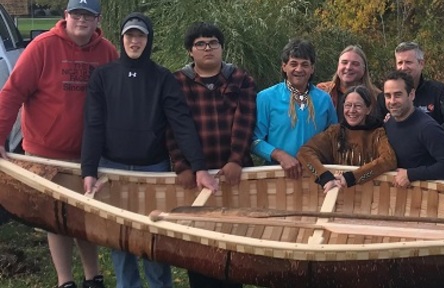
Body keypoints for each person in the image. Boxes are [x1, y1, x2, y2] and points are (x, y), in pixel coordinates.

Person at [80, 13, 218, 288]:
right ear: (122, 39)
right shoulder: (103, 77)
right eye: (130, 35)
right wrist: (89, 170)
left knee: (155, 240)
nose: (135, 41)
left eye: (140, 36)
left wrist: (199, 166)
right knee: (120, 242)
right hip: (112, 170)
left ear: (148, 39)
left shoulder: (163, 78)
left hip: (153, 170)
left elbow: (181, 123)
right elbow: (93, 125)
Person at [0, 0, 117, 287]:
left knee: (84, 216)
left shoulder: (107, 52)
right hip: (44, 154)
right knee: (55, 219)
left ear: (97, 19)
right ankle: (65, 280)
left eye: (88, 15)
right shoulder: (42, 47)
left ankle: (94, 276)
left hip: (88, 154)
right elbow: (12, 93)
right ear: (66, 16)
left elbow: (118, 99)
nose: (81, 20)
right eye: (76, 13)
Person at [168, 22, 255, 288]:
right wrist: (182, 165)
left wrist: (235, 159)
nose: (208, 48)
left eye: (213, 43)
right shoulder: (176, 82)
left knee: (233, 238)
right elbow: (171, 126)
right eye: (201, 44)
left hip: (233, 174)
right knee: (199, 244)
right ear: (190, 51)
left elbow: (245, 121)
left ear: (221, 48)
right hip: (196, 175)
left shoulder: (241, 79)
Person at [252, 38, 337, 179]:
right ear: (284, 66)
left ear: (312, 69)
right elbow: (254, 140)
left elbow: (335, 138)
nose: (299, 69)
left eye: (305, 64)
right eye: (293, 64)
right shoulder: (266, 98)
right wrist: (279, 155)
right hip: (277, 177)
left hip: (316, 178)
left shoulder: (324, 99)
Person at [297, 85, 396, 192]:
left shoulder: (377, 133)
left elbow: (389, 159)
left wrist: (351, 178)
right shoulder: (334, 132)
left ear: (368, 109)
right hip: (338, 194)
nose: (352, 110)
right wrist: (324, 177)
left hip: (370, 196)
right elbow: (304, 152)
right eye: (348, 105)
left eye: (358, 106)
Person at [382, 70, 444, 187]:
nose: (392, 101)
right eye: (388, 96)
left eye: (398, 95)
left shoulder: (427, 128)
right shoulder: (388, 123)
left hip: (424, 199)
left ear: (412, 95)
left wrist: (411, 174)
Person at [375, 41, 444, 135]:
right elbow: (376, 127)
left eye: (408, 62)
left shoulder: (438, 91)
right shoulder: (386, 97)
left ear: (421, 64)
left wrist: (434, 135)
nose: (403, 67)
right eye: (400, 63)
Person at [316, 45, 382, 122]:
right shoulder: (322, 91)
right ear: (338, 66)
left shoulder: (377, 97)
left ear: (364, 69)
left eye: (355, 64)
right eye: (344, 62)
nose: (348, 67)